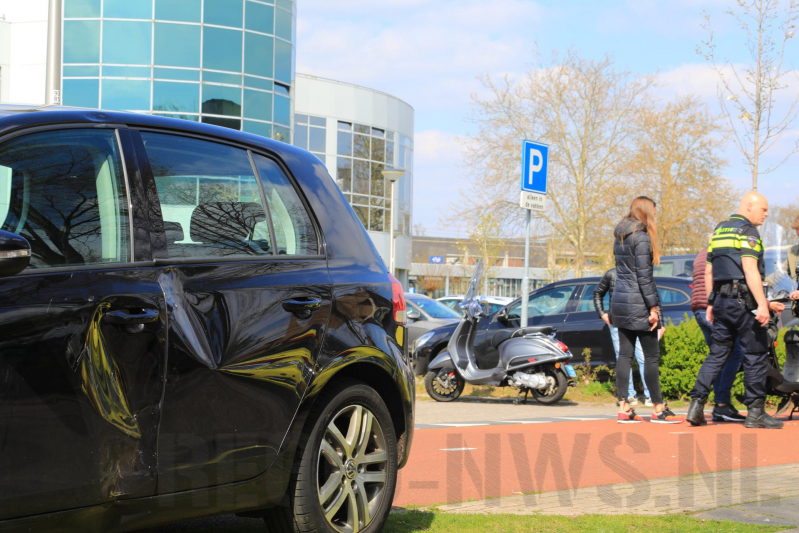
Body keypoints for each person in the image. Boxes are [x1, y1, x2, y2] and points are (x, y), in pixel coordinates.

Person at [687, 191, 786, 429]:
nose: (766, 214)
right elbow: (750, 270)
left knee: (718, 353)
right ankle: (755, 413)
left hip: (721, 301)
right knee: (755, 354)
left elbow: (709, 271)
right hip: (744, 302)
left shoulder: (719, 231)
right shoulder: (748, 232)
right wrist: (762, 304)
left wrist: (711, 303)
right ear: (749, 206)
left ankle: (696, 405)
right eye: (763, 209)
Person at [611, 196, 682, 424]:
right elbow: (644, 277)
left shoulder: (620, 236)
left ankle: (624, 407)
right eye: (654, 212)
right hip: (639, 303)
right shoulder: (641, 238)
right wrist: (653, 307)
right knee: (651, 357)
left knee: (624, 355)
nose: (656, 216)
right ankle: (659, 409)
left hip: (620, 301)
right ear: (646, 212)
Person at [691, 246, 746, 422]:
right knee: (734, 353)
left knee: (717, 357)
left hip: (698, 309)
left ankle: (711, 404)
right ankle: (721, 403)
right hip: (713, 309)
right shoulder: (721, 252)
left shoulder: (701, 254)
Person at [593, 268, 653, 407]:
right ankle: (629, 395)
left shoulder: (640, 272)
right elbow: (597, 292)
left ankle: (650, 395)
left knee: (643, 358)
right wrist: (602, 313)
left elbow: (651, 296)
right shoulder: (612, 274)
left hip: (638, 321)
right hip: (618, 323)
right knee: (624, 358)